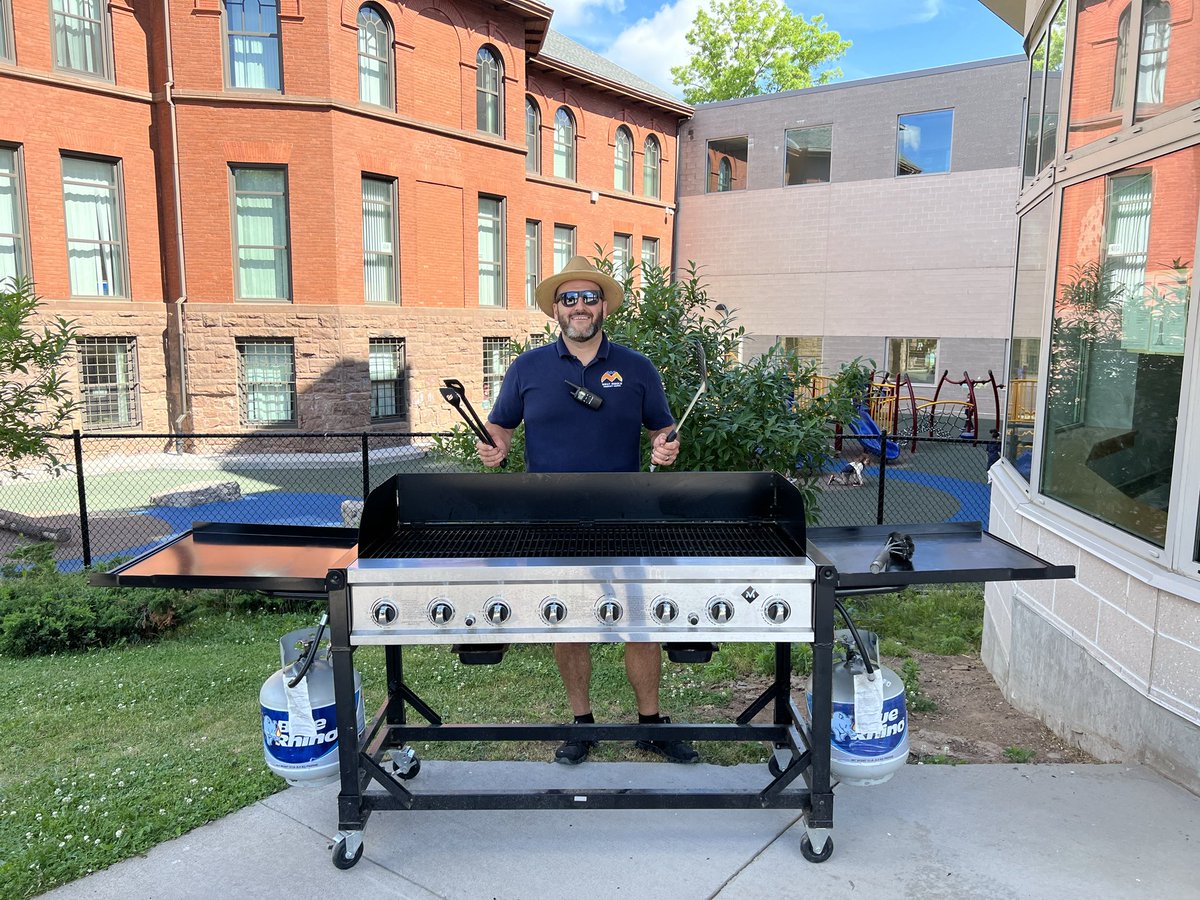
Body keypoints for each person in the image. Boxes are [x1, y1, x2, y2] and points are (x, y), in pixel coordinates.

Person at [476, 255, 699, 766]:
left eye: (589, 297)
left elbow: (662, 428)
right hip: (552, 520)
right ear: (556, 309)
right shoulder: (527, 368)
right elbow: (500, 426)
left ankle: (650, 724)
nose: (580, 306)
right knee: (568, 621)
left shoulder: (637, 368)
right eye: (569, 298)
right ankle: (582, 724)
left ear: (603, 307)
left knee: (640, 622)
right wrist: (495, 446)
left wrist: (666, 445)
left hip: (626, 516)